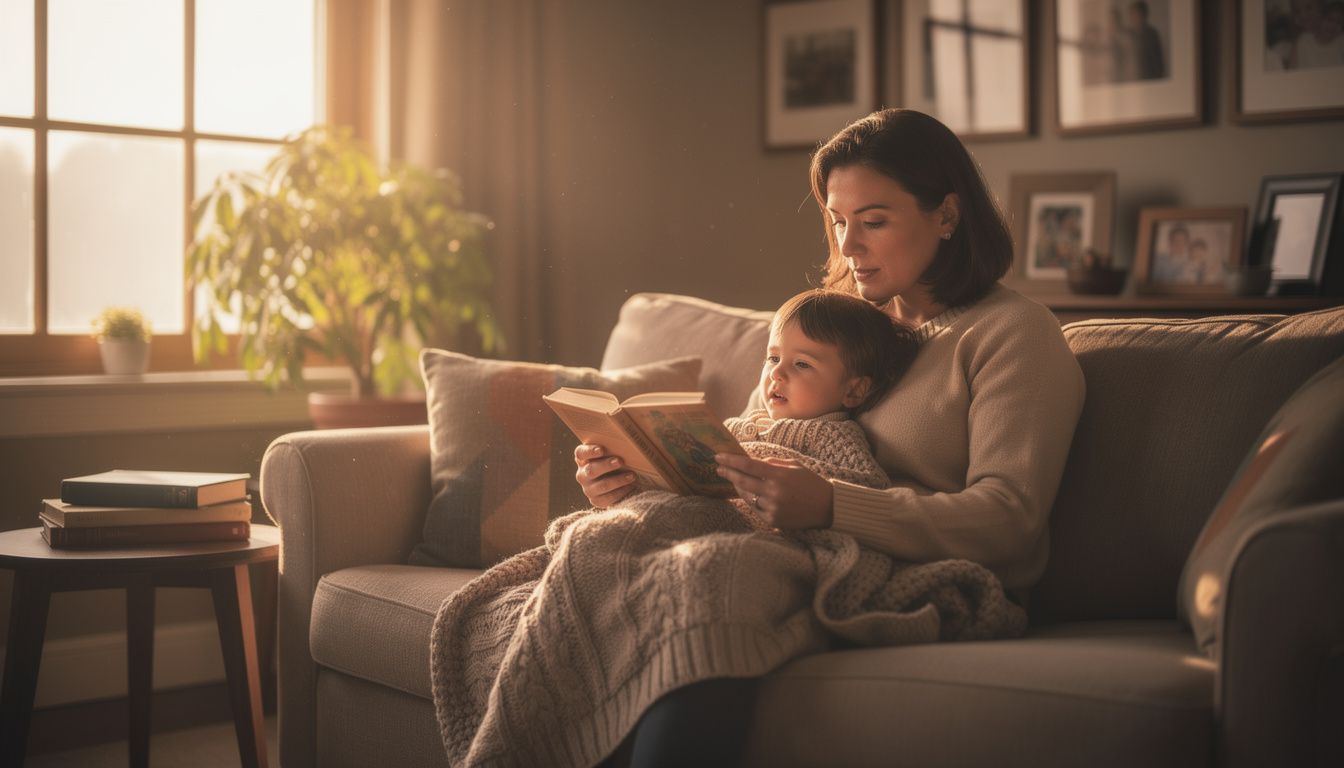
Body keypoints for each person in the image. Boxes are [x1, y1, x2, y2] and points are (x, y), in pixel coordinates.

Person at [577, 108, 1086, 768]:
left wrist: (832, 506)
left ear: (947, 216)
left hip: (910, 578)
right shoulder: (832, 325)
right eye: (839, 221)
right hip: (783, 549)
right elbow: (755, 446)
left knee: (714, 580)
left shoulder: (1013, 335)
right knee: (611, 555)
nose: (848, 246)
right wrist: (636, 477)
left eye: (873, 221)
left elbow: (1010, 520)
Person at [726, 288, 921, 503]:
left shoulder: (838, 442)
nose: (776, 373)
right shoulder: (748, 423)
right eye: (773, 358)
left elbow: (866, 491)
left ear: (854, 391)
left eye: (802, 364)